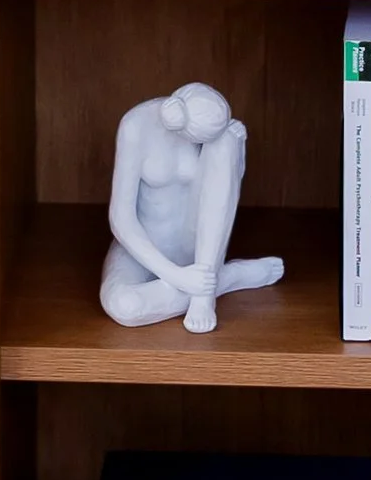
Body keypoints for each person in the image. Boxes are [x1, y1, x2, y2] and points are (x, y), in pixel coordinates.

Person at [97, 82, 283, 335]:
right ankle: (225, 279)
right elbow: (121, 218)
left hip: (195, 248)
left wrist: (237, 151)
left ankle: (203, 296)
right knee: (123, 306)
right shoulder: (135, 126)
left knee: (228, 139)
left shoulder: (217, 138)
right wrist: (176, 276)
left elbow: (222, 195)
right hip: (142, 248)